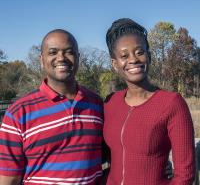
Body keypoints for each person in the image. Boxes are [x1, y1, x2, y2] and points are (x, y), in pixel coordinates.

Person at [0, 29, 104, 184]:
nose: (61, 58)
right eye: (53, 52)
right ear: (42, 60)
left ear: (77, 58)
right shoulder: (18, 113)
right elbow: (9, 180)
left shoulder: (96, 104)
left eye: (69, 52)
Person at [103, 18, 196, 185]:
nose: (133, 60)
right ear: (114, 64)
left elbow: (185, 174)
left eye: (139, 52)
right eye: (124, 55)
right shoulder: (110, 103)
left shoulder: (171, 103)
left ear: (149, 55)